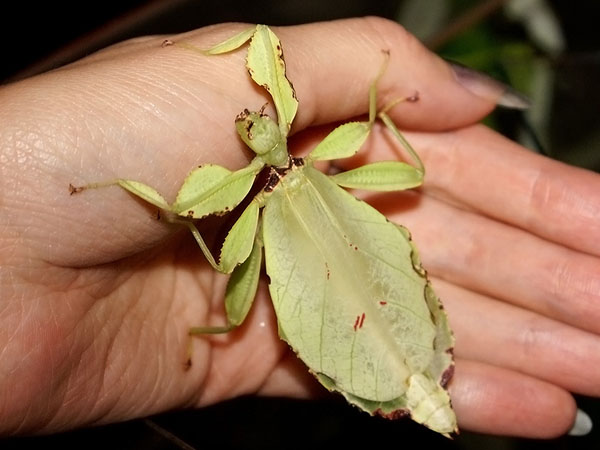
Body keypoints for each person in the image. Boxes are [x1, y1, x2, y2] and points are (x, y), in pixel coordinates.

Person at [0, 17, 598, 438]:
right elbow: (198, 233)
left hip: (306, 222)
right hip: (299, 214)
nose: (252, 125)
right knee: (232, 295)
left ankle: (413, 373)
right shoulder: (249, 183)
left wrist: (373, 103)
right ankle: (400, 379)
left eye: (258, 121)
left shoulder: (256, 186)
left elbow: (211, 244)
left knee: (241, 277)